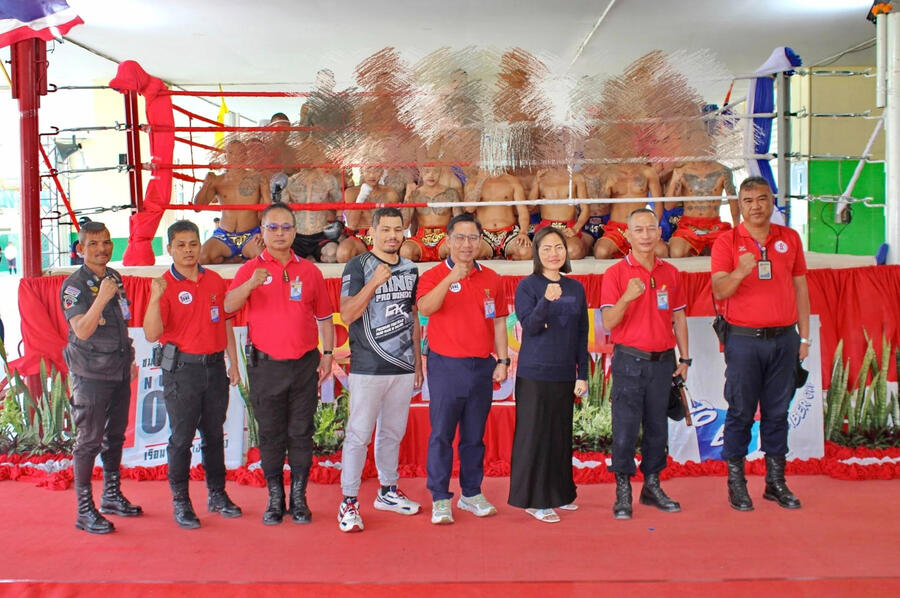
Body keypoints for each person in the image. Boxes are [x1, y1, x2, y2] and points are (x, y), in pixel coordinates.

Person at [224, 203, 335, 525]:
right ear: (262, 231)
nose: (280, 233)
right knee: (270, 434)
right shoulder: (249, 270)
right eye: (273, 227)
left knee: (301, 432)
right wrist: (249, 285)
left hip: (303, 364)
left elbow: (325, 318)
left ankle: (299, 498)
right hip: (265, 366)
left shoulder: (310, 271)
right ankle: (275, 499)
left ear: (295, 231)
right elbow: (228, 307)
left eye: (286, 227)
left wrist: (328, 355)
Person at [710, 176, 809, 512]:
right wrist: (739, 272)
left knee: (778, 412)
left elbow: (801, 290)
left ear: (772, 201)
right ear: (739, 204)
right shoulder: (727, 242)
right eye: (748, 200)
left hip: (785, 339)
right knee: (739, 411)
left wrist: (804, 336)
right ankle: (737, 484)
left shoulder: (790, 238)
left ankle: (775, 482)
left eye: (762, 199)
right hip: (743, 340)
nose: (755, 206)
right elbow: (720, 291)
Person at [142, 220, 243, 529]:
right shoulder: (163, 284)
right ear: (169, 248)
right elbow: (151, 334)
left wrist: (233, 362)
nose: (188, 250)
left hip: (214, 368)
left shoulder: (214, 280)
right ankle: (181, 502)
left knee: (214, 435)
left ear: (201, 245)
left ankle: (217, 494)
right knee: (181, 439)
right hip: (182, 372)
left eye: (193, 244)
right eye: (181, 245)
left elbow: (224, 321)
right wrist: (155, 298)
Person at [416, 213, 510, 524]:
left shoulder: (492, 279)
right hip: (446, 366)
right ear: (448, 240)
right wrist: (450, 279)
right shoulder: (432, 275)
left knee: (474, 436)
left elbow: (498, 321)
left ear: (480, 241)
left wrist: (502, 359)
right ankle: (441, 497)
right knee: (442, 434)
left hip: (481, 366)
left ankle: (471, 493)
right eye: (460, 237)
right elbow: (425, 309)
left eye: (472, 238)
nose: (466, 244)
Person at [600, 208, 690, 519]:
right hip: (630, 361)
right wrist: (626, 297)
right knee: (625, 428)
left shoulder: (670, 272)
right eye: (639, 230)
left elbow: (678, 317)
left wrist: (685, 358)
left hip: (663, 362)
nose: (646, 236)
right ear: (627, 235)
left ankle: (652, 485)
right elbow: (609, 321)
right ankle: (623, 489)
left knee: (657, 428)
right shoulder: (615, 274)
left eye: (651, 229)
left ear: (659, 232)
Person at [337, 207, 423, 533]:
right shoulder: (357, 266)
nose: (392, 236)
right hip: (368, 367)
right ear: (372, 231)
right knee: (359, 435)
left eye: (397, 230)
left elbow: (413, 316)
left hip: (401, 366)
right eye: (385, 229)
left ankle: (387, 491)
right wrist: (374, 282)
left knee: (392, 433)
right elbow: (347, 314)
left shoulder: (411, 268)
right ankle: (348, 501)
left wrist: (417, 358)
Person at [60, 221, 142, 534]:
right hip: (91, 374)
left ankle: (110, 495)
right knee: (88, 442)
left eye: (106, 242)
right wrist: (101, 297)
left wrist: (130, 360)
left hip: (119, 370)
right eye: (93, 244)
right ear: (80, 249)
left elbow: (122, 321)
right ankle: (84, 510)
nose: (102, 249)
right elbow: (81, 329)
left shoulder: (114, 277)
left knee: (115, 437)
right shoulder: (74, 286)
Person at [508, 226, 589, 523]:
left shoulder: (576, 288)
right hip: (535, 373)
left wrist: (582, 374)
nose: (553, 254)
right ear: (536, 254)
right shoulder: (528, 286)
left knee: (559, 435)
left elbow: (582, 333)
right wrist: (546, 300)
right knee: (535, 437)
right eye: (546, 249)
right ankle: (535, 500)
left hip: (565, 373)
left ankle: (560, 493)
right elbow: (529, 327)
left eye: (558, 247)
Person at [195, 139, 269, 264]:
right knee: (202, 257)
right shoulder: (217, 180)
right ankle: (233, 259)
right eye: (231, 153)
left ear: (246, 155)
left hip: (251, 234)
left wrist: (265, 232)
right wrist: (206, 183)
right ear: (225, 156)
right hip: (223, 235)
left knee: (264, 258)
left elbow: (269, 209)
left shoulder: (259, 179)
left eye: (240, 152)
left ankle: (233, 259)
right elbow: (197, 207)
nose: (235, 156)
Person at [592, 164, 666, 259]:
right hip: (617, 228)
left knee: (661, 251)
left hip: (641, 226)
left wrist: (654, 228)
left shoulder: (647, 172)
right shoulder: (609, 173)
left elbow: (658, 204)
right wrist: (606, 190)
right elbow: (601, 208)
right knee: (601, 252)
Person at [667, 162, 739, 257]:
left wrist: (737, 229)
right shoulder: (682, 171)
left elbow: (733, 201)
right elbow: (668, 206)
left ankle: (704, 251)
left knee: (730, 251)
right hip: (688, 226)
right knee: (677, 253)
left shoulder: (724, 171)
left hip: (715, 226)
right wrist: (674, 180)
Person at [337, 166, 404, 263]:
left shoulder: (390, 193)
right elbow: (352, 224)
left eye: (376, 170)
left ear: (381, 172)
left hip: (383, 237)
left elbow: (395, 223)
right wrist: (361, 197)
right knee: (343, 253)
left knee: (405, 252)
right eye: (368, 170)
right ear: (361, 171)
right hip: (361, 238)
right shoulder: (351, 193)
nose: (372, 175)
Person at [463, 172, 532, 260]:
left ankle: (507, 258)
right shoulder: (473, 182)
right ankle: (489, 257)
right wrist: (480, 182)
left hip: (509, 232)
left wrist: (523, 232)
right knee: (471, 253)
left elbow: (522, 210)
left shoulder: (512, 180)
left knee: (526, 252)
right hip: (483, 234)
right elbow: (469, 208)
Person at [400, 165, 461, 262]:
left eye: (435, 171)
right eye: (427, 171)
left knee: (454, 249)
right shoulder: (415, 194)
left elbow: (459, 222)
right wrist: (407, 197)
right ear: (421, 172)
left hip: (444, 238)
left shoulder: (451, 193)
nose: (431, 175)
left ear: (440, 172)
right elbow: (404, 224)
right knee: (405, 251)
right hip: (421, 238)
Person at [529, 168, 590, 260]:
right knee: (541, 252)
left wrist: (575, 228)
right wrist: (536, 183)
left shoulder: (576, 177)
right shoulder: (540, 177)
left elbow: (585, 209)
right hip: (546, 227)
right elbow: (530, 207)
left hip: (568, 227)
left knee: (574, 251)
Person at [283, 165, 342, 262]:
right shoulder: (290, 182)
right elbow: (280, 207)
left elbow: (340, 202)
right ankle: (308, 258)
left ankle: (311, 257)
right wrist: (276, 192)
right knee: (283, 256)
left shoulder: (328, 180)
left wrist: (339, 221)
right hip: (296, 236)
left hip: (321, 235)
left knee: (332, 253)